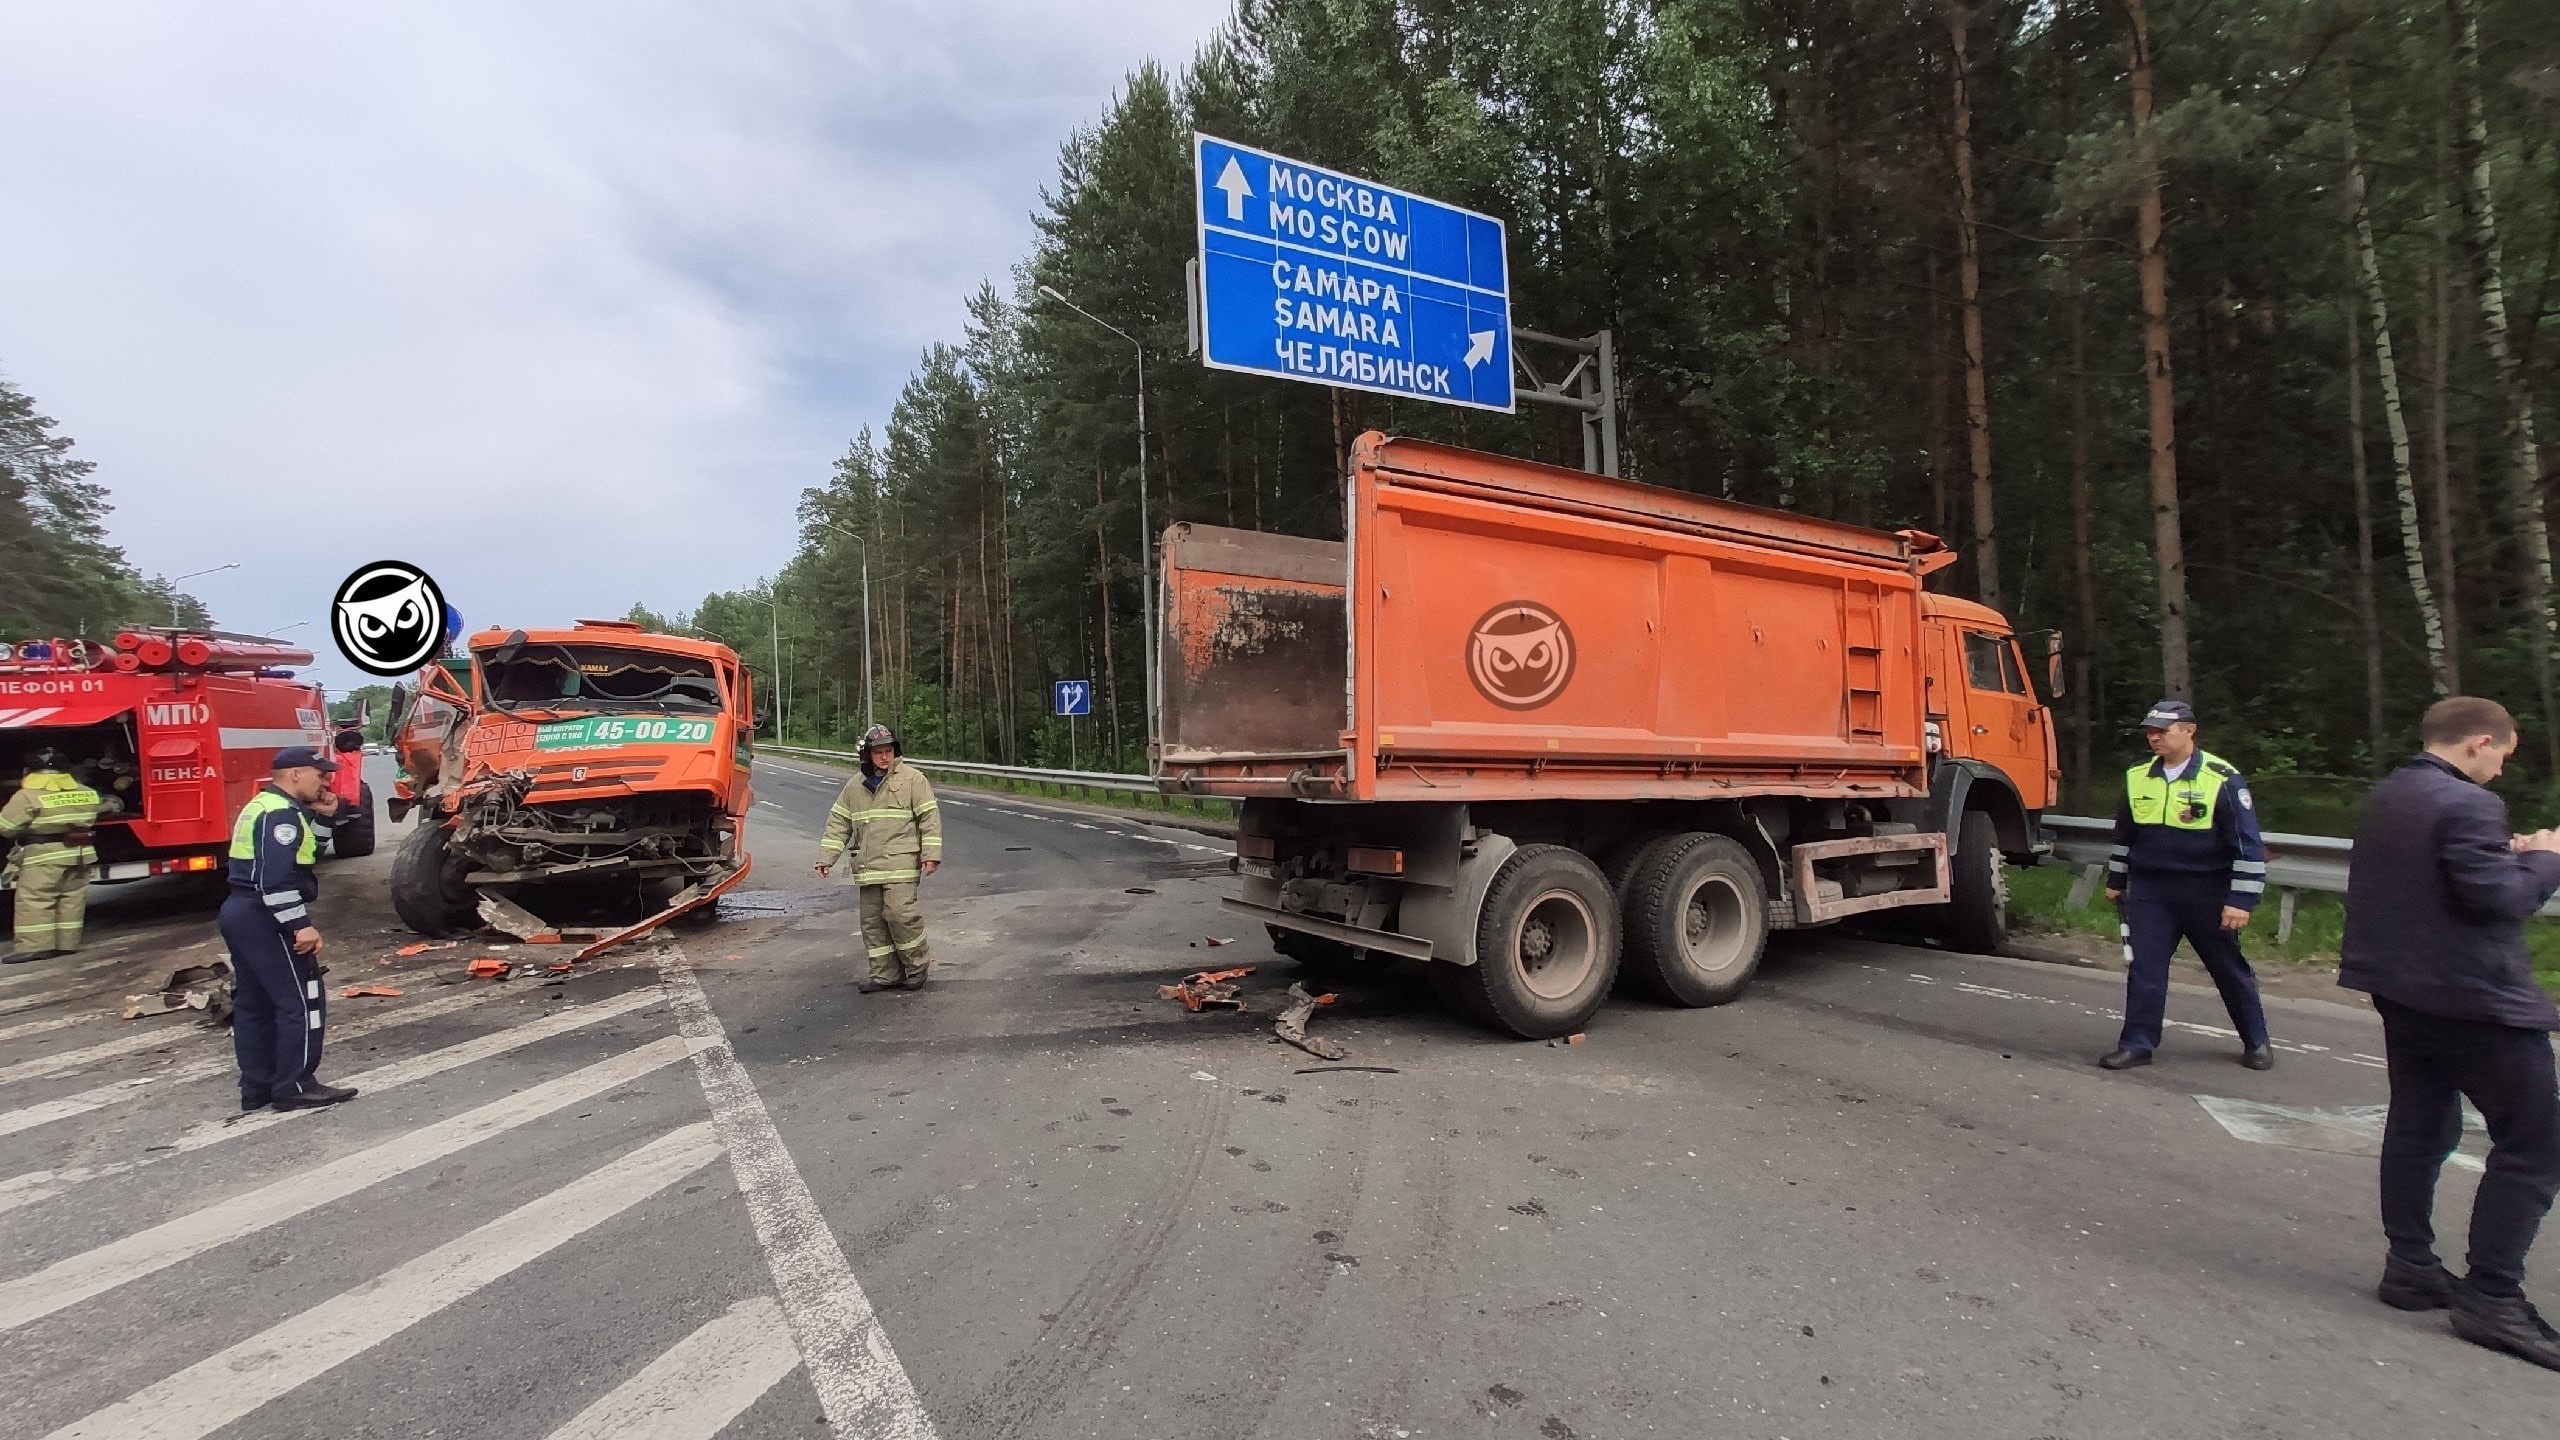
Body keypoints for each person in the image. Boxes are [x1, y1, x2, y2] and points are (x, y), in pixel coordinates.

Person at [2339, 696, 2560, 1370]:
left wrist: (2507, 854)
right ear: (2477, 742)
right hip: (2474, 1000)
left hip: (2402, 991)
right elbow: (2500, 899)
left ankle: (2410, 1266)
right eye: (2500, 755)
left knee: (2420, 1124)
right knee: (2536, 1143)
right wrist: (2546, 857)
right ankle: (2492, 1296)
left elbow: (2443, 875)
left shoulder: (2392, 792)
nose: (2500, 771)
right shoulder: (2470, 805)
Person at [2099, 699, 2274, 1070]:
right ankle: (2137, 1044)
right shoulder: (2138, 777)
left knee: (2228, 969)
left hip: (2206, 892)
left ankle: (2256, 1040)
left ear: (2189, 731)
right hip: (2151, 890)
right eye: (2150, 731)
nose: (2154, 737)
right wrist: (2116, 879)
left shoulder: (2221, 778)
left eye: (2163, 730)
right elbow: (2125, 835)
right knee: (2145, 970)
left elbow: (2247, 844)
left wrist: (2241, 900)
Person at [220, 747, 357, 1112]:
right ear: (296, 774)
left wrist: (325, 819)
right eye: (320, 774)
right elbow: (276, 880)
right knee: (300, 1001)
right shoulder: (279, 813)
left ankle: (258, 1087)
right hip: (264, 915)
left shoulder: (265, 806)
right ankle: (295, 1086)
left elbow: (303, 857)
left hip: (242, 911)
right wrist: (300, 926)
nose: (326, 782)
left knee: (254, 1003)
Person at [815, 724, 942, 992]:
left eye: (889, 751)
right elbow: (839, 822)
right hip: (868, 866)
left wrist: (931, 855)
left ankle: (917, 967)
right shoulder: (855, 786)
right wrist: (826, 857)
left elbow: (929, 819)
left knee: (900, 916)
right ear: (867, 755)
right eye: (878, 752)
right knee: (872, 923)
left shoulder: (912, 780)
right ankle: (885, 974)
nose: (885, 757)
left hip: (900, 864)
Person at [1, 747, 107, 964]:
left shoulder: (27, 795)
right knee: (71, 899)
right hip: (81, 854)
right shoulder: (86, 792)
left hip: (45, 856)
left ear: (29, 771)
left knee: (35, 900)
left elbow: (6, 828)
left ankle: (33, 947)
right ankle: (66, 945)